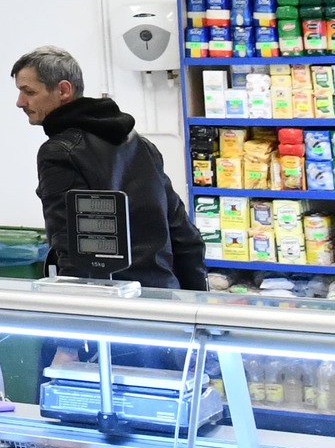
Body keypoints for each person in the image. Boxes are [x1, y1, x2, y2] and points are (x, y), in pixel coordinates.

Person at [13, 45, 206, 291]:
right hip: (161, 296)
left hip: (110, 301)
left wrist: (71, 306)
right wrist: (194, 302)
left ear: (63, 90)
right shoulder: (141, 144)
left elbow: (74, 252)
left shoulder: (59, 152)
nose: (20, 102)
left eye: (29, 92)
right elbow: (186, 238)